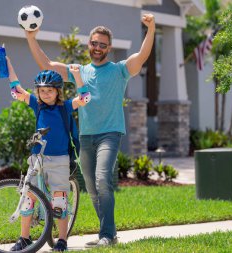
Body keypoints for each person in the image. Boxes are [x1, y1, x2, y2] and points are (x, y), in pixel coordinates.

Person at [24, 13, 155, 247]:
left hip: (110, 133)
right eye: (94, 43)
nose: (97, 47)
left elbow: (142, 55)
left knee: (103, 178)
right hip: (86, 136)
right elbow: (47, 65)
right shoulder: (80, 70)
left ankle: (107, 234)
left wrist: (151, 28)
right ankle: (109, 235)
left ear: (109, 47)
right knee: (92, 188)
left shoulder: (119, 70)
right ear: (89, 44)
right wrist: (30, 37)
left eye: (102, 45)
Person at [6, 57, 87, 252]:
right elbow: (17, 90)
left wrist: (77, 76)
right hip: (37, 158)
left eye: (50, 90)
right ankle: (24, 238)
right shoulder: (37, 104)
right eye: (42, 91)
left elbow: (84, 98)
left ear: (58, 91)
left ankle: (62, 240)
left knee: (59, 200)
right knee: (28, 197)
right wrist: (7, 63)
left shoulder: (65, 107)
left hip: (59, 159)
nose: (46, 94)